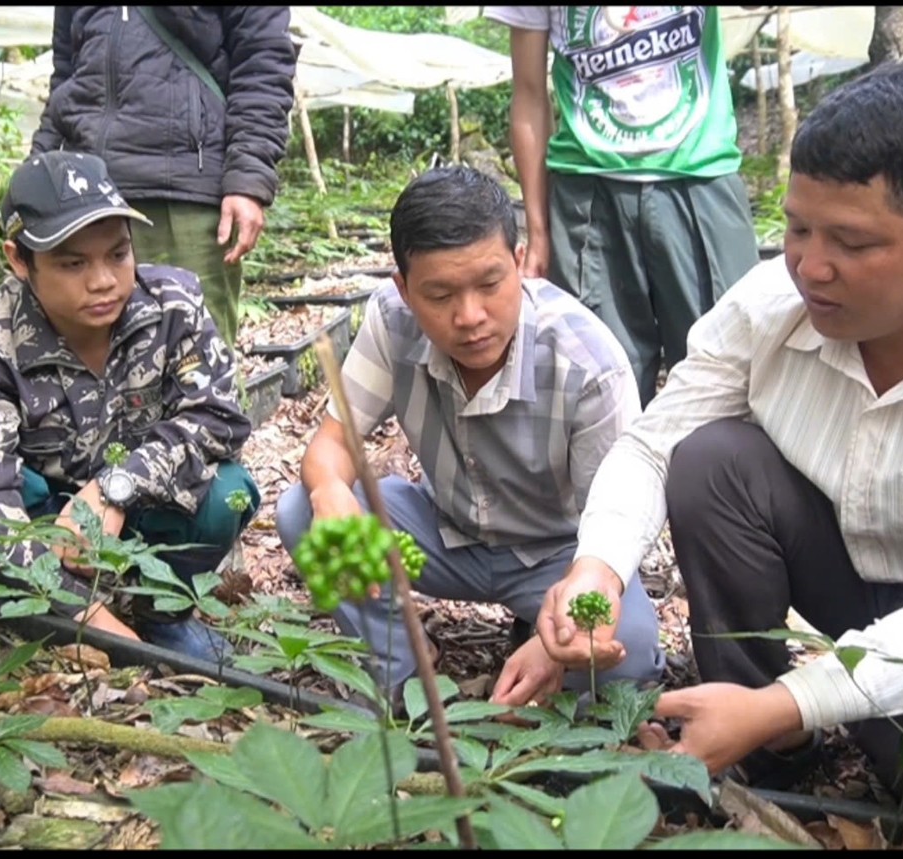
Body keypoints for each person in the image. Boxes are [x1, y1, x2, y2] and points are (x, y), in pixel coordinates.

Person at [531, 62, 903, 844]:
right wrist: (598, 567)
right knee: (710, 458)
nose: (809, 267)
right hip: (857, 564)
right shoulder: (769, 305)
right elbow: (653, 446)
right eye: (796, 227)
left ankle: (797, 731)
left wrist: (796, 695)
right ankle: (767, 739)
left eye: (852, 242)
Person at [275, 165, 665, 705]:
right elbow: (333, 444)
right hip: (446, 532)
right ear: (404, 290)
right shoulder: (391, 321)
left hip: (559, 553)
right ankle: (397, 668)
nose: (470, 316)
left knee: (630, 650)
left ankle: (543, 640)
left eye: (490, 284)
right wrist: (331, 493)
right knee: (302, 511)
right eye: (439, 295)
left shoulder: (588, 365)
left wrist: (562, 635)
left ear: (521, 262)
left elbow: (615, 527)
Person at [0, 150, 261, 661]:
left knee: (228, 491)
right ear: (19, 259)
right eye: (72, 263)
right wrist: (85, 619)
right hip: (46, 528)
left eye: (118, 254)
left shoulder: (174, 302)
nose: (103, 280)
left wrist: (115, 489)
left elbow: (217, 418)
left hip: (139, 506)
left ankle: (162, 613)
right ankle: (58, 615)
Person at [484, 5, 760, 408]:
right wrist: (539, 232)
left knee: (731, 371)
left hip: (698, 179)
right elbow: (527, 95)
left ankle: (714, 471)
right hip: (588, 199)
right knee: (603, 384)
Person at [31, 6, 298, 350]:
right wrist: (38, 165)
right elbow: (68, 73)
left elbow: (263, 60)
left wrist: (248, 178)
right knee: (87, 362)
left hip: (186, 188)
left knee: (195, 362)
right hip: (88, 195)